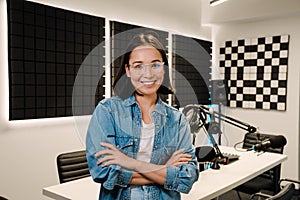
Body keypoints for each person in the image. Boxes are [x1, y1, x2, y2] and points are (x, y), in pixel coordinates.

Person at [86, 32, 199, 200]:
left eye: (155, 65)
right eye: (138, 66)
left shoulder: (176, 119)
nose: (148, 74)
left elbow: (187, 176)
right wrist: (164, 171)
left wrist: (131, 163)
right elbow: (103, 172)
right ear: (128, 70)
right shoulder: (108, 111)